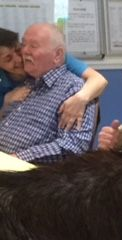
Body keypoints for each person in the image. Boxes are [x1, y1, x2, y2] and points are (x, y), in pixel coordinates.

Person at [0, 23, 97, 163]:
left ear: (57, 55)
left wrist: (16, 159)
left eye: (33, 46)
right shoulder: (27, 83)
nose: (24, 52)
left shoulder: (74, 89)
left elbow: (72, 146)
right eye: (23, 44)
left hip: (27, 174)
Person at [0, 26, 107, 129]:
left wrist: (79, 99)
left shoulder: (53, 57)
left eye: (19, 50)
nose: (19, 59)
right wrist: (5, 104)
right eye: (8, 59)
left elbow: (99, 80)